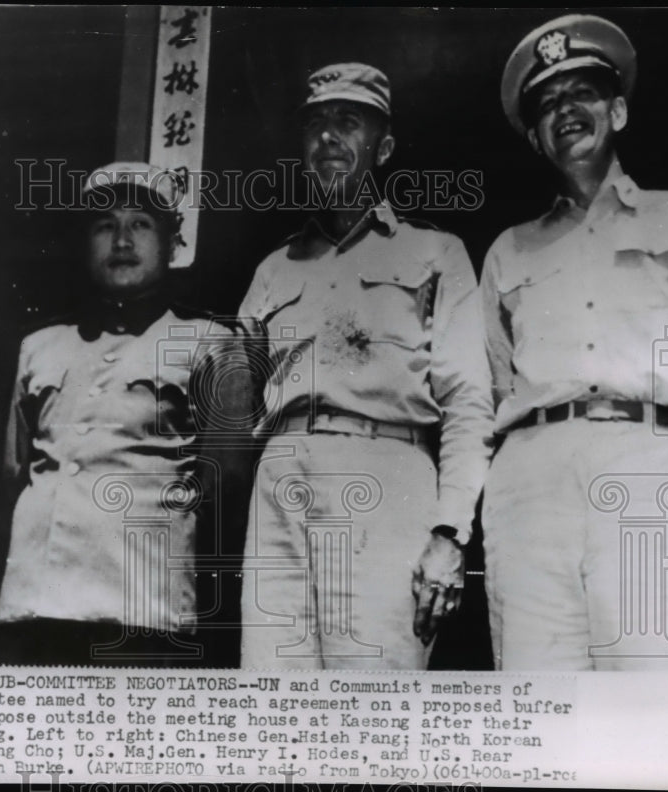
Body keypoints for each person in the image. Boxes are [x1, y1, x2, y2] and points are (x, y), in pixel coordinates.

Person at [481, 15, 668, 670]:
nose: (566, 110)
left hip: (657, 469)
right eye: (547, 103)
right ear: (535, 136)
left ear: (616, 110)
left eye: (582, 92)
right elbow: (494, 385)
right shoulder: (509, 250)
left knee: (661, 700)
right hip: (531, 488)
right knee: (540, 717)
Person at [238, 63, 494, 669]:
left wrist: (450, 532)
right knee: (272, 708)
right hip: (278, 486)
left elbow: (467, 404)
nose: (328, 137)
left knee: (374, 704)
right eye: (315, 124)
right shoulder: (272, 270)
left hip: (387, 482)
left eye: (347, 122)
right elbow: (234, 408)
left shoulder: (435, 252)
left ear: (382, 147)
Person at [0, 162, 255, 666]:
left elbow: (224, 488)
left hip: (141, 606)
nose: (121, 240)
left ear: (173, 242)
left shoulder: (211, 344)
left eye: (141, 224)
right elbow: (13, 470)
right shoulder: (41, 345)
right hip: (37, 601)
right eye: (104, 225)